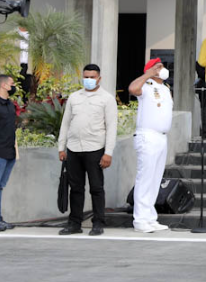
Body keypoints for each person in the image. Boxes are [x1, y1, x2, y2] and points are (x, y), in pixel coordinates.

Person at [56, 64, 118, 236]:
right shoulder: (74, 97)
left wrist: (108, 153)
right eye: (86, 77)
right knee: (75, 188)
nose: (88, 80)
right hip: (74, 148)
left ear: (99, 78)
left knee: (96, 188)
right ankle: (74, 223)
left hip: (95, 148)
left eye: (92, 77)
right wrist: (62, 147)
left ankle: (98, 223)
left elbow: (111, 127)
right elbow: (65, 123)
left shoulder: (107, 99)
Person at [128, 58, 173, 233]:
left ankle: (150, 217)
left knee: (155, 180)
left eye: (162, 66)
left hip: (162, 137)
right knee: (145, 178)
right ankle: (139, 220)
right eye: (158, 67)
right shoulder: (145, 86)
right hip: (148, 135)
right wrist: (148, 73)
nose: (162, 69)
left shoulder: (165, 88)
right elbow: (132, 89)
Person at [0, 74, 18, 232]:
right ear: (4, 85)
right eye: (12, 84)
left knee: (0, 187)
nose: (14, 87)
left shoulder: (10, 104)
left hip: (10, 153)